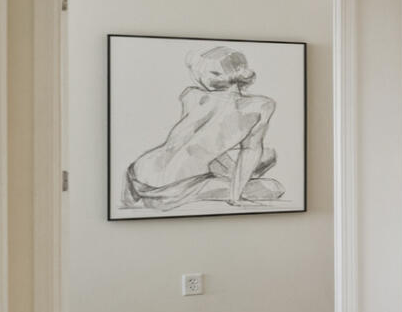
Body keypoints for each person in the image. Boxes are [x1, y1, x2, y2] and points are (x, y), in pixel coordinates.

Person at [122, 44, 286, 210]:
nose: (203, 78)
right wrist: (234, 196)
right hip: (172, 190)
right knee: (275, 187)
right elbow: (250, 151)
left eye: (213, 73)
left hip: (136, 174)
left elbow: (197, 144)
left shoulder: (191, 95)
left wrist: (231, 174)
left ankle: (238, 176)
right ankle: (242, 178)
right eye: (201, 71)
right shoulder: (260, 106)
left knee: (267, 156)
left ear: (236, 72)